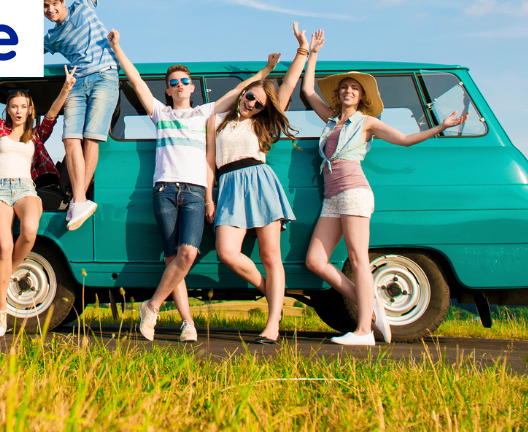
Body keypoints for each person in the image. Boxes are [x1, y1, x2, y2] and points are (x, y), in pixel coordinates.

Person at [108, 28, 283, 343]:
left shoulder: (205, 114)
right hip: (163, 191)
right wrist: (118, 48)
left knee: (188, 253)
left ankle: (151, 306)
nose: (179, 85)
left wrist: (266, 71)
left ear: (191, 87)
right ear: (168, 91)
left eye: (184, 81)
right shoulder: (159, 113)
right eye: (172, 82)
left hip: (193, 192)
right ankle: (187, 323)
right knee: (173, 259)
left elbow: (242, 91)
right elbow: (135, 80)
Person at [301, 30, 466, 347]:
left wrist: (441, 127)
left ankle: (364, 332)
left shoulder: (367, 123)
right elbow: (307, 91)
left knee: (358, 258)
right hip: (331, 197)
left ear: (361, 96)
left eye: (354, 89)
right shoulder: (331, 119)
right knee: (315, 262)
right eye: (344, 88)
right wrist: (313, 53)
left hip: (354, 191)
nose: (348, 91)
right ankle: (373, 306)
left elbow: (404, 140)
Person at [205, 23, 311, 344]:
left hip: (261, 183)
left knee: (270, 257)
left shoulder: (262, 125)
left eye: (259, 103)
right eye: (250, 97)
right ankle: (271, 294)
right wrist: (210, 199)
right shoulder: (216, 122)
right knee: (227, 252)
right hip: (228, 187)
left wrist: (302, 51)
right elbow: (210, 163)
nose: (251, 103)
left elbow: (289, 86)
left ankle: (272, 325)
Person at [37, 0, 138, 232]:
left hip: (105, 75)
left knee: (92, 137)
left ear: (62, 0)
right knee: (69, 139)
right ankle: (80, 199)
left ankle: (79, 198)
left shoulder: (83, 4)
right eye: (45, 8)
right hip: (77, 83)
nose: (50, 10)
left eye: (53, 3)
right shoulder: (51, 38)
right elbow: (19, 49)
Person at [0, 70, 76, 337]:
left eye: (23, 107)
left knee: (30, 232)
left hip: (25, 189)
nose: (19, 111)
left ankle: (1, 279)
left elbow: (54, 112)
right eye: (14, 107)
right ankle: (2, 310)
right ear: (7, 110)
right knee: (5, 245)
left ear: (30, 109)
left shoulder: (35, 135)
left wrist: (66, 88)